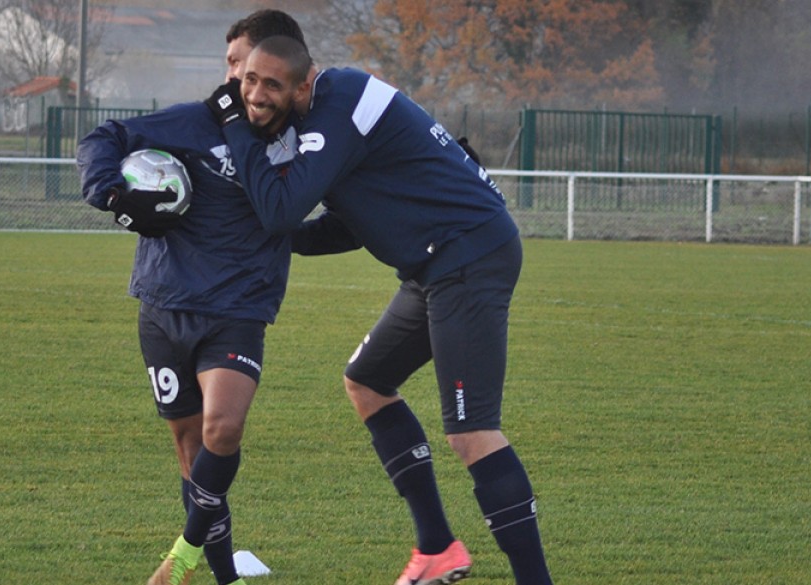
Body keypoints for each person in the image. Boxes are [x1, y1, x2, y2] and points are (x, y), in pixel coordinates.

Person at [206, 36, 555, 585]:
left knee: (472, 431)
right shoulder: (329, 111)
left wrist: (233, 132)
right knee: (367, 382)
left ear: (300, 77)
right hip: (437, 264)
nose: (245, 89)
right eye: (241, 75)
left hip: (466, 255)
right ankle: (437, 547)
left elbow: (279, 211)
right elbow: (349, 223)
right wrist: (280, 238)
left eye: (259, 77)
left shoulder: (336, 104)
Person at [76, 11, 306, 585]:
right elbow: (105, 137)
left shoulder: (302, 138)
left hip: (237, 312)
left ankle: (180, 556)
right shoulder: (190, 123)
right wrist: (109, 193)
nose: (237, 80)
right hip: (163, 308)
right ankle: (225, 576)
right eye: (231, 66)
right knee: (190, 453)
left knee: (221, 431)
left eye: (246, 66)